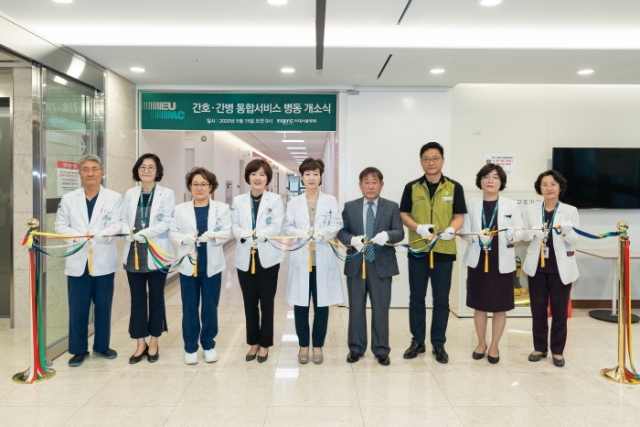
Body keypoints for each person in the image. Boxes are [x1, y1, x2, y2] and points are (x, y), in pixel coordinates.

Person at [400, 142, 466, 364]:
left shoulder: (454, 187)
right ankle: (417, 341)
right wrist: (417, 227)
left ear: (442, 160)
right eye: (426, 159)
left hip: (444, 251)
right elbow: (403, 214)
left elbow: (459, 216)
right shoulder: (412, 187)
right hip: (418, 250)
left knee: (441, 300)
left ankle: (438, 343)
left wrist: (451, 230)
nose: (431, 162)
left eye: (435, 158)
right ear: (421, 162)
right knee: (416, 298)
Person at [54, 154, 123, 367]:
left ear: (102, 172)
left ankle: (102, 346)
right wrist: (79, 237)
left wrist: (102, 235)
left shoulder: (114, 197)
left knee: (103, 307)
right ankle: (78, 350)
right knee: (78, 308)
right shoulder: (69, 198)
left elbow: (118, 223)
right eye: (85, 169)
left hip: (103, 260)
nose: (90, 173)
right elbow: (60, 225)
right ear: (79, 173)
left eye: (94, 169)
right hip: (78, 261)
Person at [337, 167, 404, 366]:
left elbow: (399, 232)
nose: (371, 186)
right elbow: (342, 232)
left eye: (375, 182)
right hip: (356, 265)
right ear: (360, 185)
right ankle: (356, 348)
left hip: (381, 265)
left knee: (381, 309)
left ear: (382, 185)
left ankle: (381, 349)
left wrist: (387, 235)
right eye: (366, 182)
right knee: (356, 308)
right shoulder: (350, 207)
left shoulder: (391, 207)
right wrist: (352, 240)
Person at [461, 163, 523, 364]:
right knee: (479, 306)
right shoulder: (471, 204)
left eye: (495, 177)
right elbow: (464, 231)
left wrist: (512, 234)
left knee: (499, 307)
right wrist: (475, 236)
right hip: (478, 261)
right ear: (480, 181)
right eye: (486, 177)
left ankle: (494, 346)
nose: (490, 180)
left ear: (501, 182)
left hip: (501, 262)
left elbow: (519, 232)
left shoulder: (510, 205)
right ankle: (481, 343)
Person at [283, 158, 343, 365]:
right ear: (302, 177)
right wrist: (302, 233)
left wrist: (322, 233)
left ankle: (317, 345)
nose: (311, 178)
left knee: (321, 306)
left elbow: (336, 223)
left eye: (315, 174)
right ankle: (303, 346)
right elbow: (288, 226)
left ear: (320, 177)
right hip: (302, 260)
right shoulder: (294, 203)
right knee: (300, 305)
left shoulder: (330, 200)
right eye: (307, 174)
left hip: (322, 260)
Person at [169, 167, 231, 365]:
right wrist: (184, 238)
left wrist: (212, 236)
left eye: (204, 184)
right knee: (189, 307)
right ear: (190, 187)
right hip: (188, 264)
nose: (200, 188)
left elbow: (227, 231)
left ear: (211, 187)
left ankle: (208, 345)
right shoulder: (180, 209)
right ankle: (190, 348)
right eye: (195, 184)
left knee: (210, 307)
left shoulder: (222, 208)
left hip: (211, 265)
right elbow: (172, 232)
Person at [121, 153, 175, 364]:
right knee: (137, 300)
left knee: (156, 298)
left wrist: (143, 234)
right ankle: (140, 343)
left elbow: (166, 223)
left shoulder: (166, 194)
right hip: (133, 253)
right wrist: (128, 232)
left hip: (156, 252)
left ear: (157, 171)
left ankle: (154, 341)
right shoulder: (130, 193)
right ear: (137, 170)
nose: (146, 171)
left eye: (151, 167)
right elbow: (123, 219)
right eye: (142, 167)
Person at [522, 170, 579, 367]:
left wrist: (567, 232)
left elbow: (575, 240)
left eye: (553, 184)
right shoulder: (531, 210)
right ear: (540, 188)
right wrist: (532, 232)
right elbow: (524, 236)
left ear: (560, 188)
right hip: (537, 267)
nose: (549, 188)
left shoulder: (570, 211)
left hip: (560, 268)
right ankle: (539, 347)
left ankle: (557, 351)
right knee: (537, 309)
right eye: (544, 184)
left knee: (559, 311)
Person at [231, 159, 284, 363]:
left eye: (262, 174)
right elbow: (234, 226)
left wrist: (259, 235)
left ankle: (265, 343)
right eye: (254, 174)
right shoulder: (238, 201)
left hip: (268, 258)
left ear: (267, 178)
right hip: (246, 256)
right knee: (249, 301)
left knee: (267, 301)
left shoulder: (275, 200)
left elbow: (275, 226)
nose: (258, 178)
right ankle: (253, 342)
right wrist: (248, 235)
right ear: (248, 177)